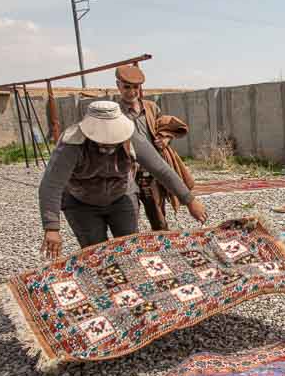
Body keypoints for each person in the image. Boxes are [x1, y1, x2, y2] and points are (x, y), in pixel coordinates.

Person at [38, 100, 207, 259]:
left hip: (121, 196)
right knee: (96, 253)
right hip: (81, 203)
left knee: (129, 248)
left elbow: (160, 169)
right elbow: (51, 184)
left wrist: (189, 200)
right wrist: (52, 228)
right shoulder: (72, 143)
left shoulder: (131, 138)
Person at [116, 64, 194, 230]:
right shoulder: (115, 113)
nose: (131, 92)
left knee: (158, 218)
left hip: (152, 173)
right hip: (128, 174)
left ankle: (163, 249)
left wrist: (165, 139)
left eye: (135, 87)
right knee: (128, 218)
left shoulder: (151, 107)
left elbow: (163, 127)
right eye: (126, 87)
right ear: (118, 86)